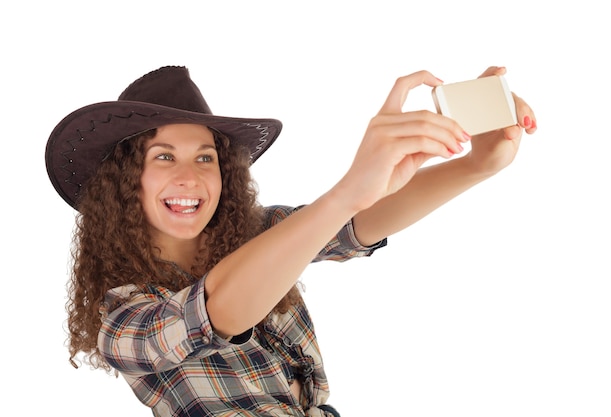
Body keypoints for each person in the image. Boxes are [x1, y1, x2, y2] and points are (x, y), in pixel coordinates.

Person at [45, 65, 536, 417]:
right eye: (164, 158)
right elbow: (219, 311)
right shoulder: (122, 318)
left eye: (206, 158)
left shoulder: (258, 235)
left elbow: (357, 224)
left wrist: (477, 163)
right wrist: (345, 193)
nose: (191, 177)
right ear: (126, 183)